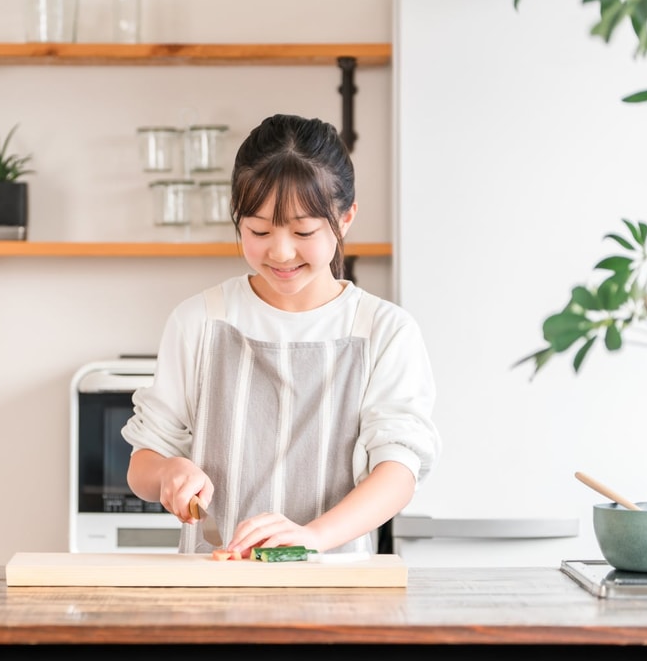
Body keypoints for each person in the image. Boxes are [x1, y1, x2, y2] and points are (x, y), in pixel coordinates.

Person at [121, 113, 440, 557]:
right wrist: (168, 471)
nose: (281, 251)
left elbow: (398, 471)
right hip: (212, 594)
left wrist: (312, 538)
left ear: (345, 219)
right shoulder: (198, 321)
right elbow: (144, 466)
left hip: (336, 594)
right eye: (259, 230)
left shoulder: (385, 330)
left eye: (304, 231)